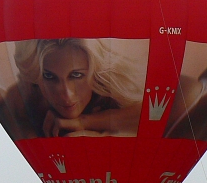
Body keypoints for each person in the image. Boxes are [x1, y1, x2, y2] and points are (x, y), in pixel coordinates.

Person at [12, 38, 145, 138]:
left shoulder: (109, 86)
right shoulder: (24, 99)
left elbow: (153, 114)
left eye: (76, 75)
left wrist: (84, 123)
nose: (67, 95)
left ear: (94, 70)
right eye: (49, 76)